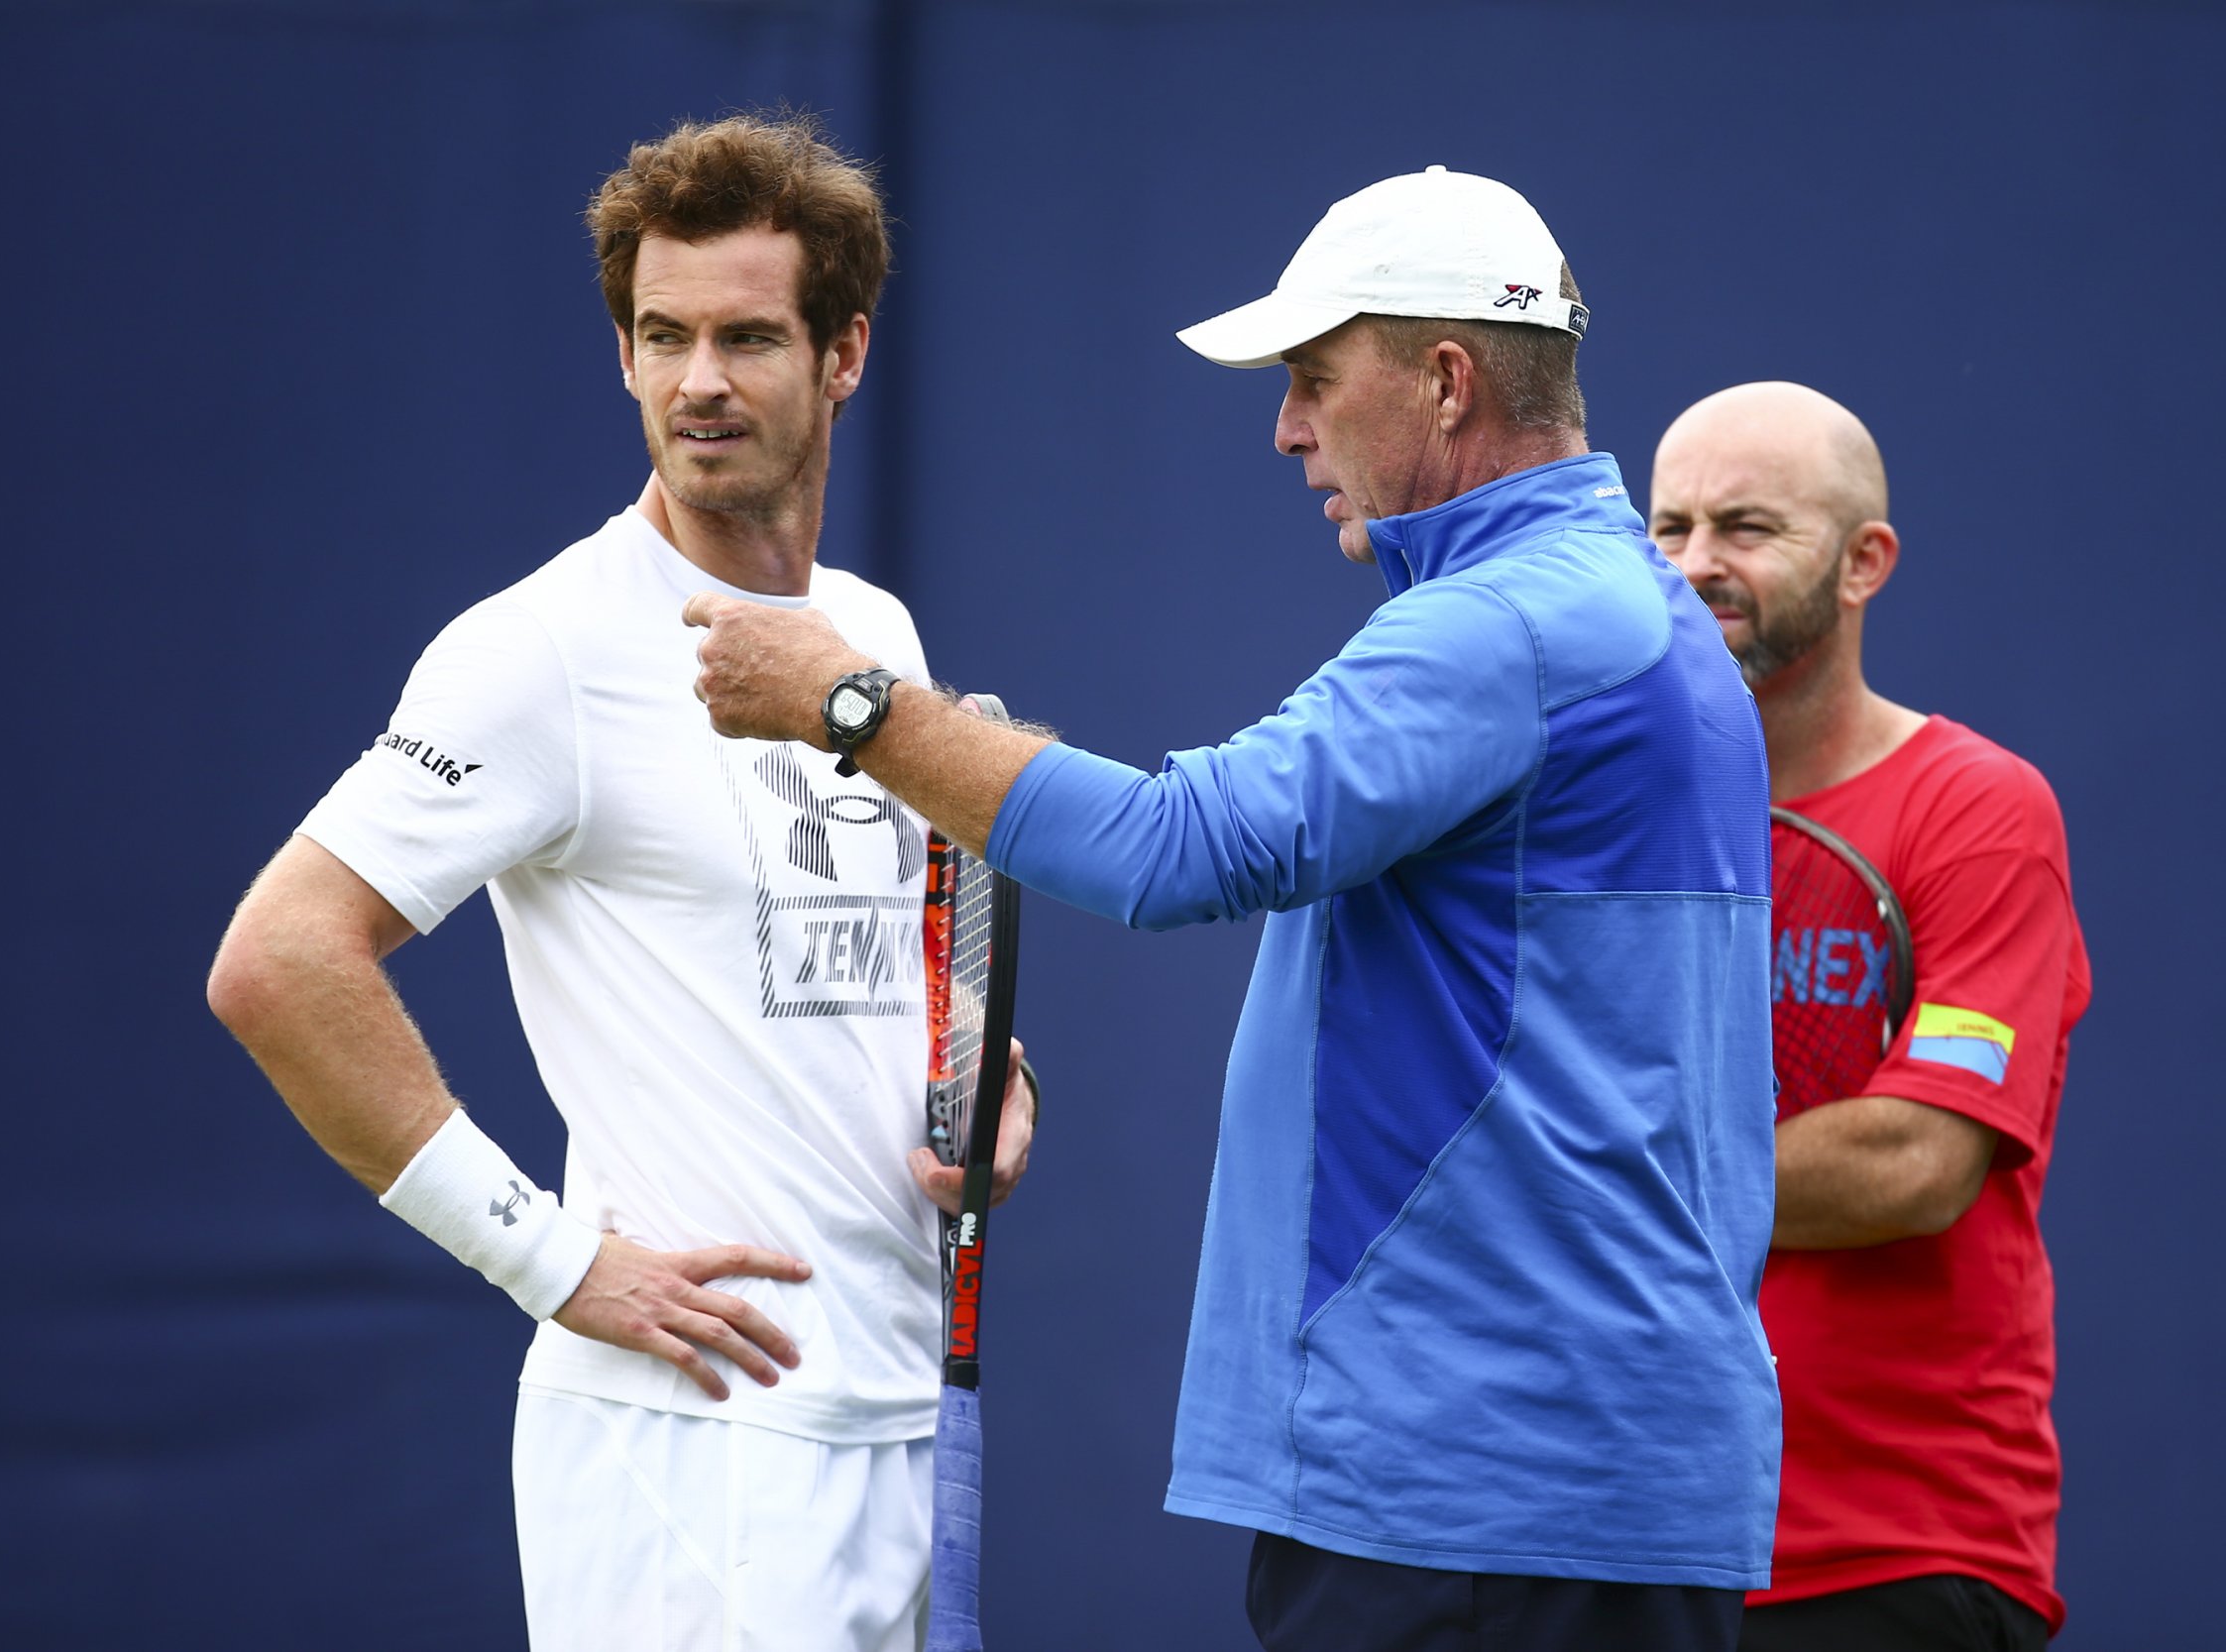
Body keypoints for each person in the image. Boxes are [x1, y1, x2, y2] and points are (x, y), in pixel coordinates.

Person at [681, 165, 1780, 1652]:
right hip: (1567, 1483)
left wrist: (851, 701)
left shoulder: (1506, 621)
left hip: (1476, 1501)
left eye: (1318, 380)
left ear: (1447, 382)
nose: (1288, 427)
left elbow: (1174, 847)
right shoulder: (1624, 610)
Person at [206, 113, 1035, 1652]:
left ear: (844, 352)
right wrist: (549, 1256)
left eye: (743, 336)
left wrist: (989, 1070)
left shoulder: (875, 636)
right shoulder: (543, 649)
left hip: (894, 1412)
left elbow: (911, 958)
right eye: (661, 336)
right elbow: (280, 959)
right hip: (690, 1448)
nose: (696, 379)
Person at [1646, 382, 2090, 1652]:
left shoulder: (1978, 809)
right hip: (1629, 1544)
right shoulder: (1610, 817)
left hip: (1895, 1549)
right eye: (1666, 526)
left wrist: (1594, 1182)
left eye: (1745, 527)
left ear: (1864, 562)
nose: (1694, 565)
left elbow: (1915, 1158)